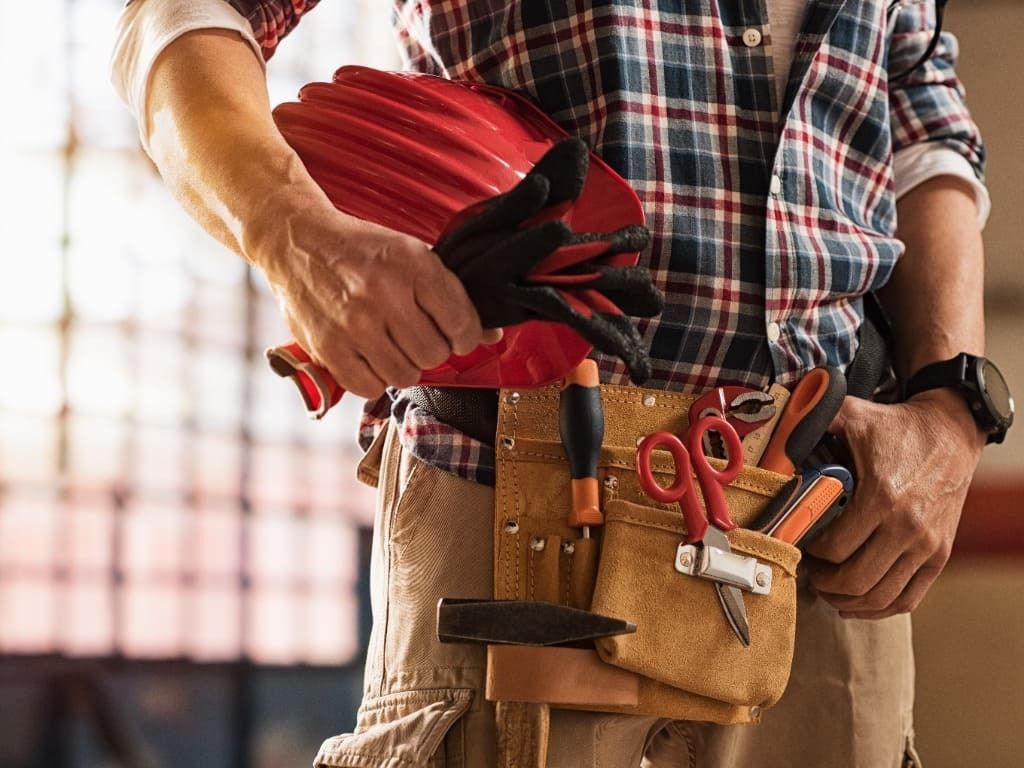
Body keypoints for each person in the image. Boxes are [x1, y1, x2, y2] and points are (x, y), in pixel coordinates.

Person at [112, 1, 1000, 765]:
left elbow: (921, 119)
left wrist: (954, 407)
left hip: (824, 527)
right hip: (513, 505)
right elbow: (180, 17)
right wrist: (293, 235)